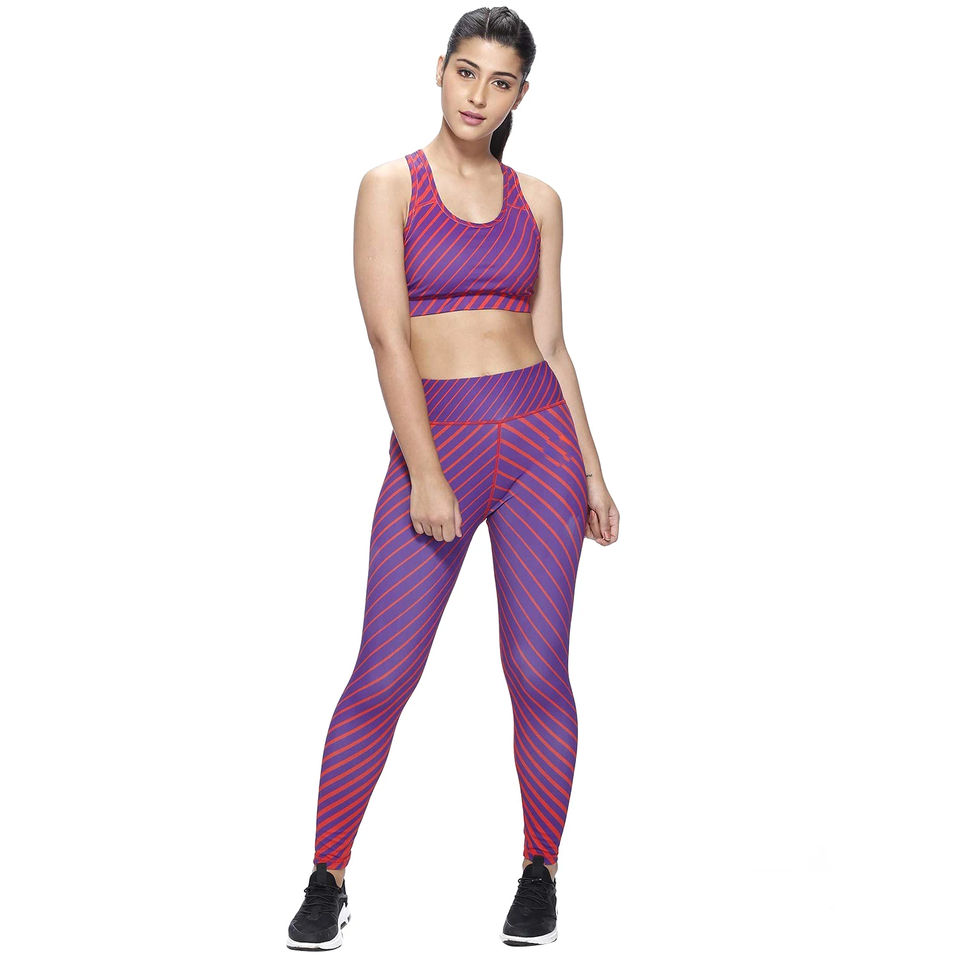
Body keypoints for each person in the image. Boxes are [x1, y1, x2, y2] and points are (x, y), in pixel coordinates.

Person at [287, 7, 619, 950]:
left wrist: (594, 471)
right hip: (438, 447)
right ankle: (327, 873)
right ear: (439, 70)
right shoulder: (389, 186)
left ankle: (540, 869)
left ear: (521, 94)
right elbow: (387, 339)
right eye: (466, 72)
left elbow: (552, 342)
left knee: (537, 670)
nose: (479, 95)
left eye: (500, 81)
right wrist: (426, 473)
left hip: (541, 446)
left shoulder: (540, 200)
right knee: (383, 674)